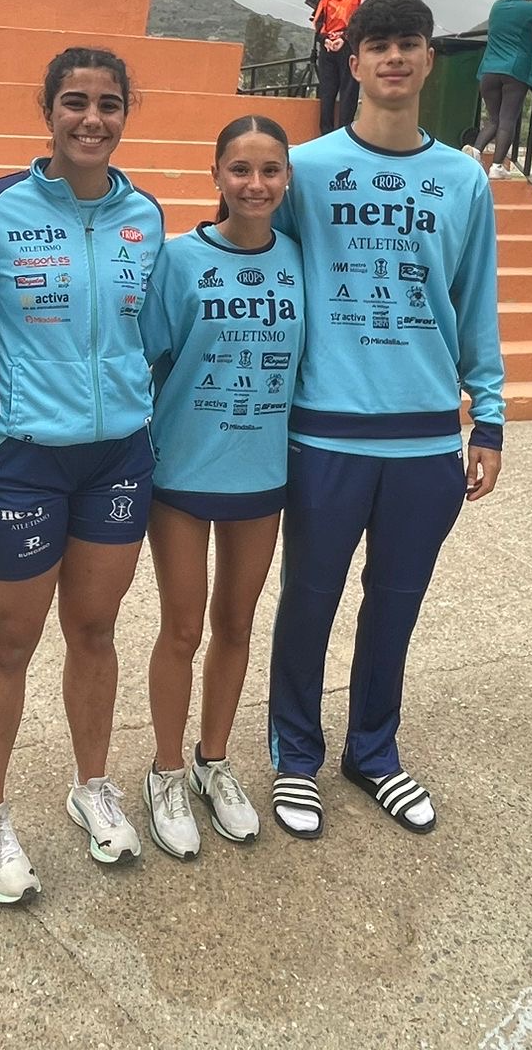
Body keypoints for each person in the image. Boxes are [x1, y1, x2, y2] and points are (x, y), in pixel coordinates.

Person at [266, 0, 505, 840]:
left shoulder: (463, 181)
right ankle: (295, 757)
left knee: (396, 603)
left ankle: (373, 752)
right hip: (325, 430)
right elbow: (265, 272)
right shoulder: (306, 169)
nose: (394, 58)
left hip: (424, 437)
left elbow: (475, 303)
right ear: (355, 60)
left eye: (409, 44)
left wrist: (490, 417)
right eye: (378, 45)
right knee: (309, 600)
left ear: (429, 60)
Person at [0, 48, 166, 902]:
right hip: (24, 458)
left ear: (125, 115)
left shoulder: (145, 216)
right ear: (46, 110)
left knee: (96, 631)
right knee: (12, 640)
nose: (91, 119)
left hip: (118, 455)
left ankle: (92, 787)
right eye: (74, 102)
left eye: (109, 104)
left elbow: (152, 334)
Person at [137, 115, 304, 857]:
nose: (255, 184)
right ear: (216, 176)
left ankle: (213, 760)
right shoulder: (178, 261)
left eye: (270, 170)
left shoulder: (300, 260)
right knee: (182, 627)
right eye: (240, 169)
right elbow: (145, 358)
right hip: (183, 470)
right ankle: (166, 770)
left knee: (237, 623)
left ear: (287, 180)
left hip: (262, 473)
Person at [472, 0, 532, 178]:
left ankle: (475, 152)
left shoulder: (497, 6)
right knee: (507, 119)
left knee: (494, 119)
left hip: (489, 69)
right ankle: (497, 166)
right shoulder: (531, 8)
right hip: (514, 70)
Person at [310, 0, 370, 134]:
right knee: (348, 91)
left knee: (327, 92)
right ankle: (344, 132)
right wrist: (343, 38)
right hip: (349, 46)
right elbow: (361, 22)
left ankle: (325, 132)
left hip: (327, 47)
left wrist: (326, 40)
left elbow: (318, 22)